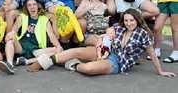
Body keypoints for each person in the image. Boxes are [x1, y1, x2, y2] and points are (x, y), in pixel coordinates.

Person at [39, 8, 175, 78]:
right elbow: (108, 31)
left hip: (117, 63)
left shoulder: (143, 34)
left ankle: (73, 65)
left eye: (131, 20)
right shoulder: (120, 28)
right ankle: (47, 61)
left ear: (137, 20)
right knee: (76, 50)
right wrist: (102, 40)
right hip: (107, 52)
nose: (129, 23)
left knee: (88, 69)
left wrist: (161, 71)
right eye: (126, 20)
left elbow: (152, 53)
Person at [0, 0, 62, 74]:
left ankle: (26, 61)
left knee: (58, 50)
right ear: (27, 8)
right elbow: (14, 30)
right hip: (21, 47)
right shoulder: (22, 17)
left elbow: (51, 35)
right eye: (29, 5)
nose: (32, 7)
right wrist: (10, 35)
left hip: (36, 50)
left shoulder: (44, 20)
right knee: (10, 39)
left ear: (38, 6)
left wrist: (58, 46)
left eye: (34, 4)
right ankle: (10, 64)